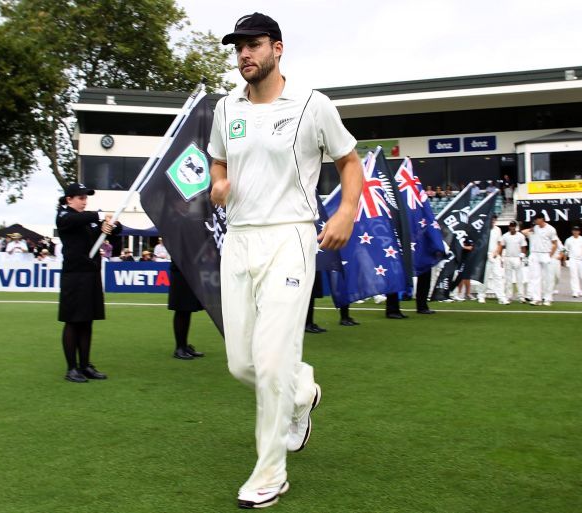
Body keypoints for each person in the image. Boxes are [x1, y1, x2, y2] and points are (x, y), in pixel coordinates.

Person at [208, 13, 363, 509]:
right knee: (241, 364)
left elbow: (349, 161)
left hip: (291, 238)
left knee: (272, 361)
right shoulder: (225, 107)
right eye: (238, 48)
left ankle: (270, 473)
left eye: (252, 46)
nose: (243, 56)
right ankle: (302, 390)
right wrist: (218, 184)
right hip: (239, 240)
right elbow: (218, 158)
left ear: (277, 48)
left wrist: (346, 210)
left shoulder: (312, 105)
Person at [56, 182, 120, 383]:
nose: (85, 202)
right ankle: (71, 368)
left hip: (91, 274)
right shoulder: (64, 216)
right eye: (81, 198)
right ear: (69, 200)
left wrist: (111, 226)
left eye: (86, 198)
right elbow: (75, 220)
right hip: (74, 276)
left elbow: (114, 229)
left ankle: (85, 365)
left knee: (87, 320)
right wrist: (100, 217)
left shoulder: (86, 219)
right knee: (73, 321)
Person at [168, 262, 206, 360]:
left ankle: (183, 346)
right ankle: (179, 348)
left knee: (186, 310)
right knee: (182, 310)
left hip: (190, 272)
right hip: (181, 272)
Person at [522, 214, 558, 306]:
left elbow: (555, 244)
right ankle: (536, 298)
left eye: (536, 219)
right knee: (535, 277)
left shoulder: (551, 229)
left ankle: (548, 298)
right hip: (535, 254)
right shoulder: (535, 228)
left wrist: (550, 255)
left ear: (542, 219)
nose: (535, 221)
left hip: (545, 253)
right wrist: (531, 229)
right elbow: (523, 232)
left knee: (548, 278)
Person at [480, 217, 507, 304]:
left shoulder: (498, 230)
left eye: (494, 220)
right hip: (485, 255)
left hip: (495, 256)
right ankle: (481, 295)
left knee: (498, 277)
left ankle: (501, 297)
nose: (492, 221)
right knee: (484, 277)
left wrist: (496, 253)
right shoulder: (483, 229)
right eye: (491, 219)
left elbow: (500, 244)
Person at [500, 221, 528, 303]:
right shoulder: (505, 236)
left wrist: (522, 256)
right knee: (508, 278)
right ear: (509, 227)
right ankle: (508, 296)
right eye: (511, 226)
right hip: (508, 258)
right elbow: (502, 246)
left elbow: (523, 247)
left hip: (517, 258)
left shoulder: (520, 236)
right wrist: (501, 258)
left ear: (515, 227)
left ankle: (521, 297)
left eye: (513, 226)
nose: (512, 228)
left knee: (519, 278)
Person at [564, 226, 582, 298]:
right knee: (573, 276)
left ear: (579, 232)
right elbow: (565, 250)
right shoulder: (568, 240)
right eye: (574, 230)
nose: (575, 232)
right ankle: (575, 291)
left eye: (577, 230)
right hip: (572, 259)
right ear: (572, 231)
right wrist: (564, 259)